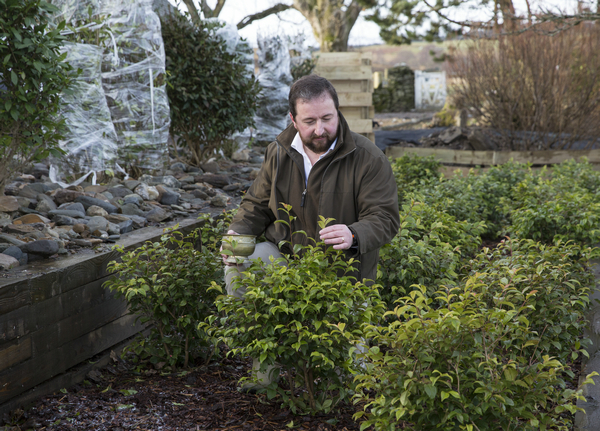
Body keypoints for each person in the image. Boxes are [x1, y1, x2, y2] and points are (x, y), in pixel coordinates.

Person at [223, 74, 400, 387]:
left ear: (337, 111)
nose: (320, 130)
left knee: (349, 385)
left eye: (327, 118)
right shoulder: (278, 152)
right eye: (310, 120)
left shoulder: (367, 157)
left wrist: (355, 234)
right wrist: (238, 233)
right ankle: (268, 363)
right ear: (293, 118)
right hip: (285, 262)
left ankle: (340, 369)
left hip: (344, 276)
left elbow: (385, 217)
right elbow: (256, 205)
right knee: (241, 260)